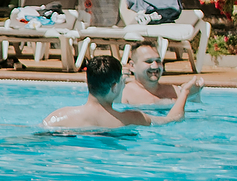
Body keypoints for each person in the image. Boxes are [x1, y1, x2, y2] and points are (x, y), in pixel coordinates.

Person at [41, 55, 192, 131]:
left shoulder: (59, 117)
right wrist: (185, 92)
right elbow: (173, 119)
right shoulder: (133, 118)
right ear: (115, 87)